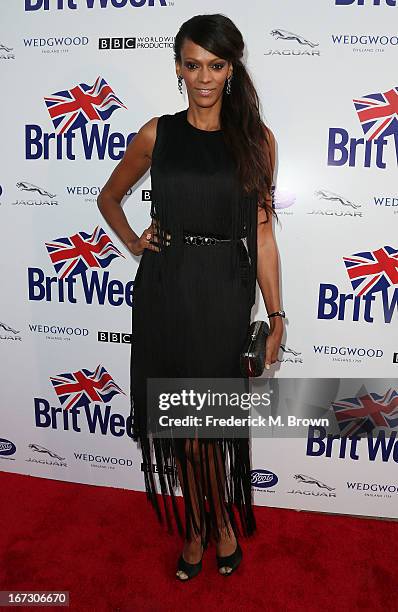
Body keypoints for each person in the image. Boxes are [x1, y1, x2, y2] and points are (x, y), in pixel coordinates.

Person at [97, 13, 284, 580]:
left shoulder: (257, 140)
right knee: (181, 426)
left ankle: (214, 522)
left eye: (216, 65)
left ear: (232, 69)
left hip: (224, 293)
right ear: (178, 68)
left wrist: (275, 316)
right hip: (165, 290)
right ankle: (205, 524)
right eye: (192, 64)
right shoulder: (158, 133)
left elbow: (265, 231)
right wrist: (134, 240)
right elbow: (109, 198)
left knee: (207, 425)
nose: (204, 78)